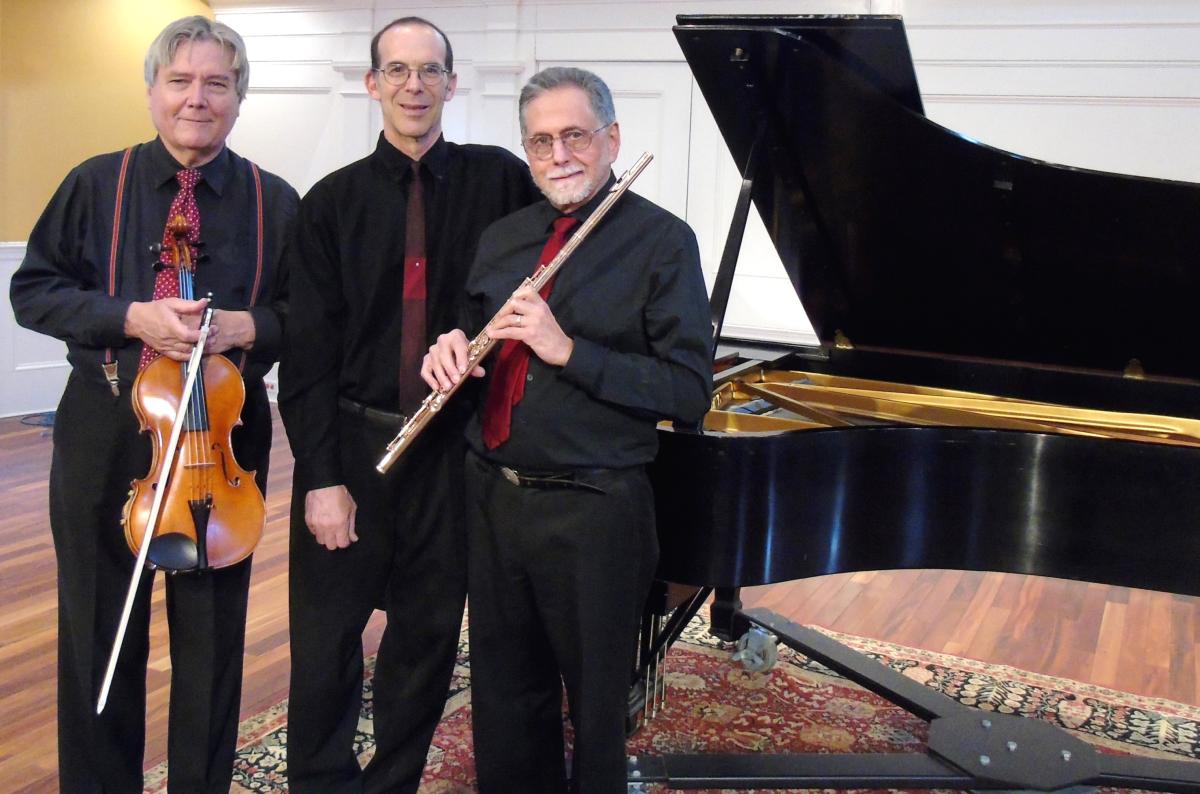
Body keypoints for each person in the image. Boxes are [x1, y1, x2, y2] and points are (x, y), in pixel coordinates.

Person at [8, 16, 298, 793]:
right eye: (180, 81)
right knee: (99, 631)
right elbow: (32, 292)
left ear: (239, 98)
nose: (196, 99)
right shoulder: (95, 183)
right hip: (106, 430)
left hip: (222, 445)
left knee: (211, 646)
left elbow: (313, 318)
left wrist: (253, 324)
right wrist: (127, 316)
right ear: (151, 92)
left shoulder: (275, 199)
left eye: (216, 83)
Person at [423, 66, 713, 793]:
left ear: (611, 139)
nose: (560, 155)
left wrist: (567, 350)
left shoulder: (662, 243)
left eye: (576, 135)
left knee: (594, 709)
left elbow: (688, 392)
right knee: (504, 696)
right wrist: (450, 349)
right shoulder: (504, 238)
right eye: (542, 141)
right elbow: (466, 329)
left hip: (594, 510)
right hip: (494, 497)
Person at [277, 16, 538, 792]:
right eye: (396, 71)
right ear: (372, 84)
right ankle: (321, 783)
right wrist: (322, 479)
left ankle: (392, 781)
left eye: (429, 71)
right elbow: (308, 358)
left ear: (452, 84)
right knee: (326, 643)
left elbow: (542, 267)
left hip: (452, 449)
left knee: (425, 638)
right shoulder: (329, 204)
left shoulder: (500, 180)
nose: (414, 86)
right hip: (353, 451)